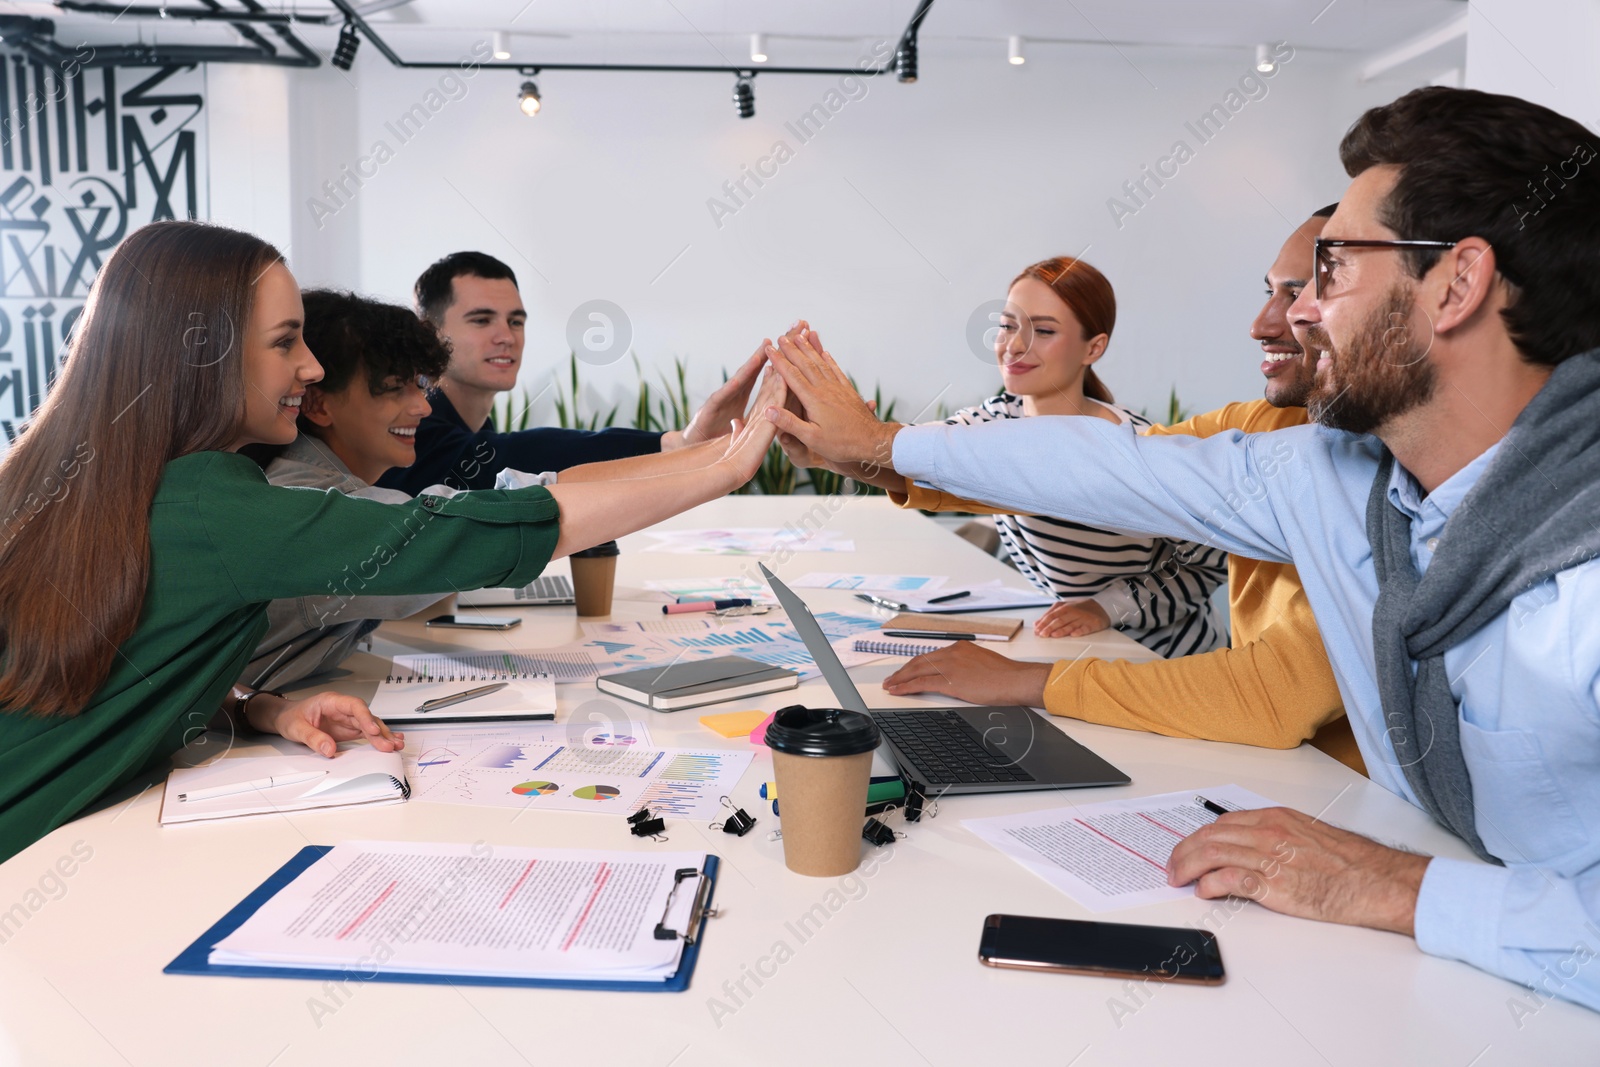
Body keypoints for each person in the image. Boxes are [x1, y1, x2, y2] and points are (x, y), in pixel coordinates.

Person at [764, 86, 1600, 1012]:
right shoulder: (1335, 479)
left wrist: (1397, 886)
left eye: (1332, 268)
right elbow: (1110, 463)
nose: (1297, 317)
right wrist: (879, 445)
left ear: (1456, 283)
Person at [0, 221, 783, 864]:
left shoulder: (101, 482)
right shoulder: (215, 501)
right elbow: (467, 530)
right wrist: (725, 464)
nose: (308, 367)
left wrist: (256, 704)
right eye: (285, 343)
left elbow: (120, 669)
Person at [856, 209, 1364, 773]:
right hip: (1133, 681)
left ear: (1092, 348)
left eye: (1044, 330)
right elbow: (1010, 462)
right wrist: (869, 455)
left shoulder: (1132, 438)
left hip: (1180, 669)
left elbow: (1267, 690)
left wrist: (1094, 620)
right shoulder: (1001, 426)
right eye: (1007, 324)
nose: (1263, 323)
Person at [245, 289, 779, 691]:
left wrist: (698, 453)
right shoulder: (309, 509)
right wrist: (719, 465)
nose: (422, 408)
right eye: (395, 390)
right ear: (318, 403)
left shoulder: (320, 482)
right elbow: (515, 509)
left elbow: (522, 490)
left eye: (421, 386)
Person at [378, 251, 767, 495]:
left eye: (516, 321)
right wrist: (674, 444)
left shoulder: (475, 423)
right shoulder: (411, 423)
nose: (506, 337)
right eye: (481, 320)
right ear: (428, 331)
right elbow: (509, 458)